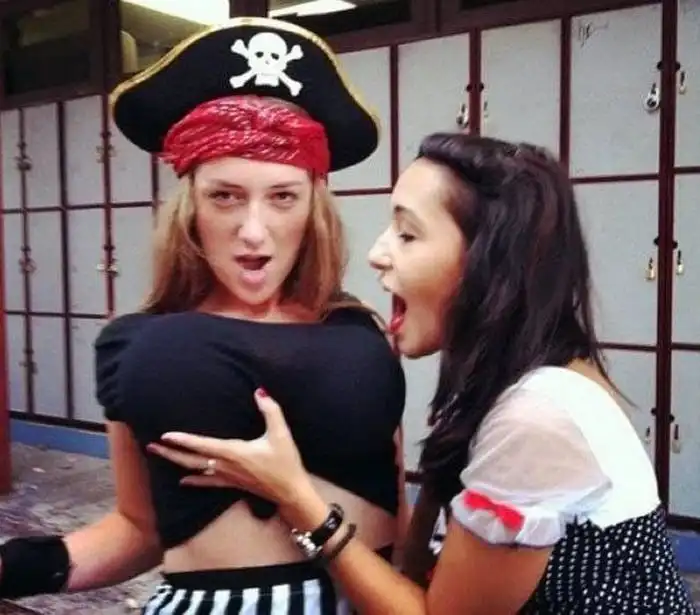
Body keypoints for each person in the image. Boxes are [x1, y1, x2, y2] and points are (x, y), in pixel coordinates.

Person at [148, 133, 697, 614]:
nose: (377, 254)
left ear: (488, 265)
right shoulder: (510, 382)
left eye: (407, 235)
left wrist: (295, 496)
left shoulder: (536, 420)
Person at [0, 16, 408, 614]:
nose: (253, 231)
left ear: (313, 209)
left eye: (283, 197)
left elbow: (397, 506)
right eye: (225, 196)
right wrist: (14, 567)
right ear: (190, 208)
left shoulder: (359, 329)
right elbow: (139, 528)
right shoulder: (132, 342)